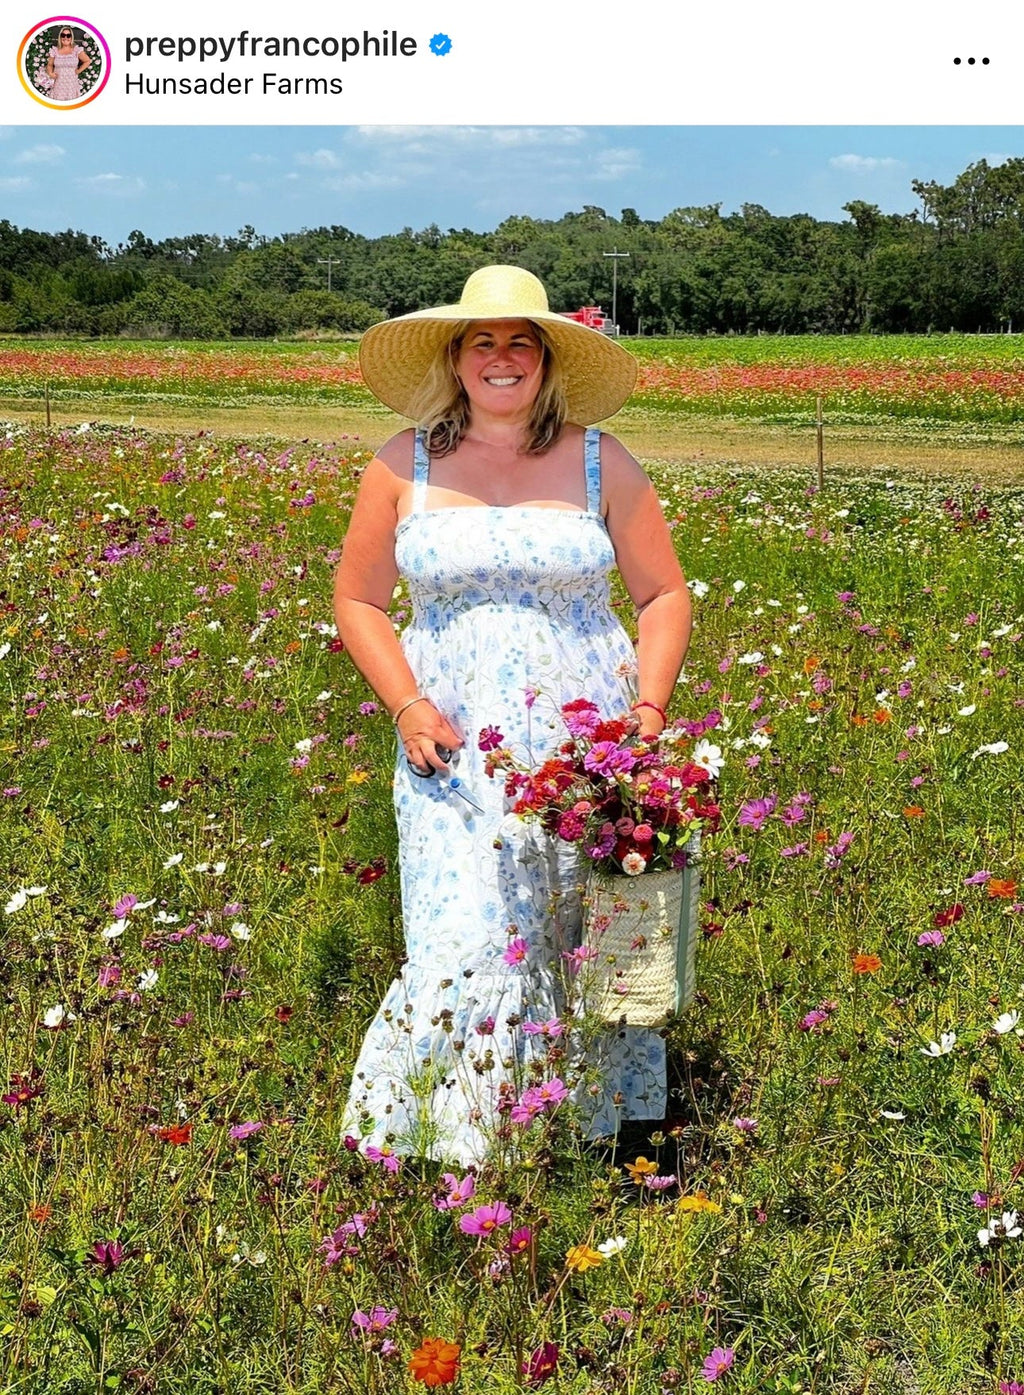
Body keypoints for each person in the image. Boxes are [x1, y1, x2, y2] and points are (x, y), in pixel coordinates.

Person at [334, 265, 692, 1164]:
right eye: (483, 341)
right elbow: (358, 599)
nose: (503, 358)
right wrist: (408, 704)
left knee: (576, 939)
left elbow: (663, 594)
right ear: (456, 358)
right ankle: (456, 1145)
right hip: (453, 758)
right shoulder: (401, 462)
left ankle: (584, 1135)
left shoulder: (602, 459)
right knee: (465, 936)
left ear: (547, 358)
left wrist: (647, 715)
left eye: (521, 342)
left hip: (583, 757)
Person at [46, 27, 91, 102]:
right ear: (60, 37)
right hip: (58, 85)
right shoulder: (55, 50)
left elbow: (87, 61)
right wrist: (50, 73)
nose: (65, 37)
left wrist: (78, 71)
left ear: (71, 37)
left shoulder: (76, 50)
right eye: (63, 35)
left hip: (71, 86)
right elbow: (50, 64)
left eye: (68, 35)